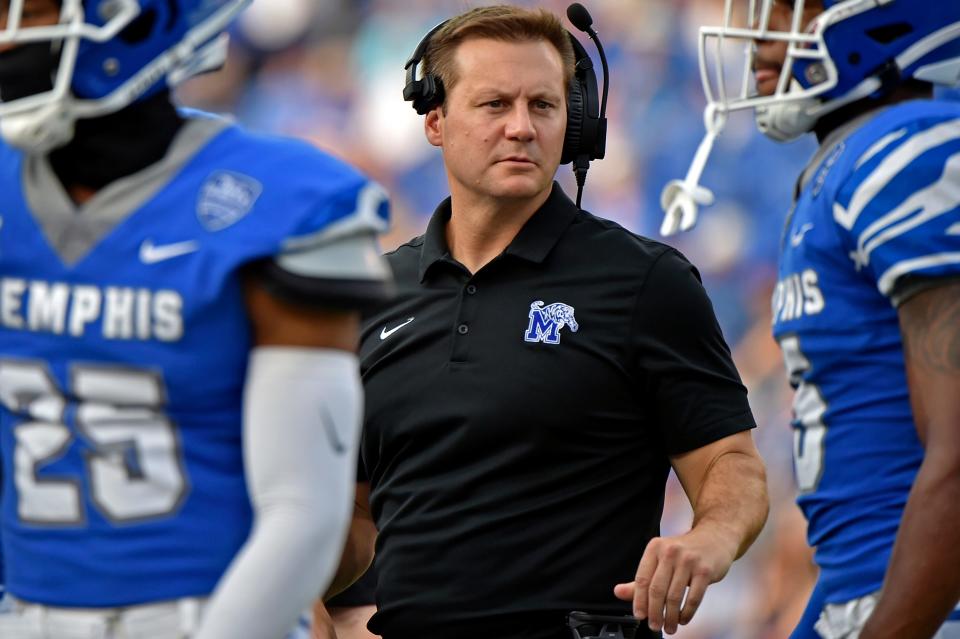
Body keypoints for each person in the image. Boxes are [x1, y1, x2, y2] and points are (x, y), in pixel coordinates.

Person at [355, 5, 769, 639]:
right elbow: (352, 517)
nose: (522, 128)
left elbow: (730, 461)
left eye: (543, 106)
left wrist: (709, 537)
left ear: (575, 124)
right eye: (495, 105)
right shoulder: (371, 295)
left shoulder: (645, 281)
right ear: (434, 119)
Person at [0, 1, 392, 638]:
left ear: (134, 19)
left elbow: (304, 513)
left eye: (28, 11)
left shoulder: (270, 201)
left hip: (211, 614)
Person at [661, 1, 960, 637]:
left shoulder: (908, 152)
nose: (759, 30)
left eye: (792, 6)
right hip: (863, 592)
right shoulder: (841, 165)